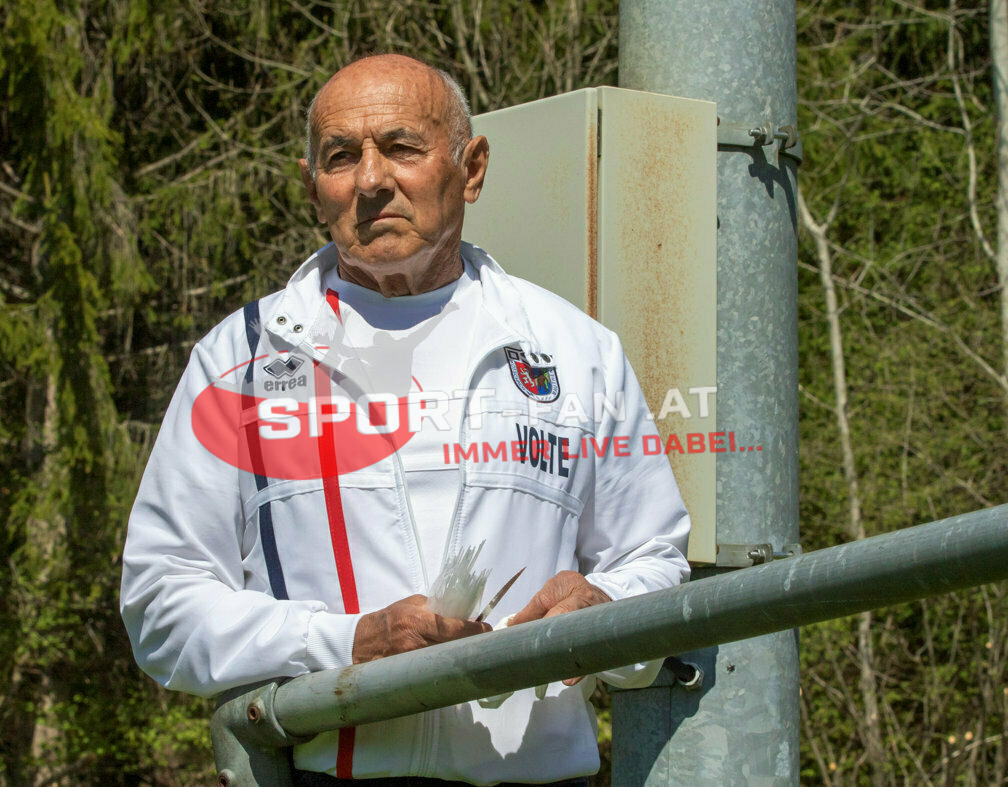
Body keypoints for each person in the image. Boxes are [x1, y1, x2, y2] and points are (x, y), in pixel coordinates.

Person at [120, 54, 690, 785]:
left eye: (401, 147)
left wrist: (603, 609)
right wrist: (345, 643)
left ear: (471, 169)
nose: (371, 179)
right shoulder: (241, 359)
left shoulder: (575, 350)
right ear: (312, 190)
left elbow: (655, 561)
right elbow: (160, 601)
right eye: (341, 157)